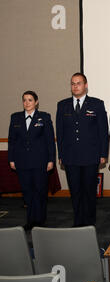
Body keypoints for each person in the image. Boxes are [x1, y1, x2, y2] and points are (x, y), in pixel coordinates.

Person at [56, 73, 109, 227]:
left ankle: (90, 221)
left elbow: (103, 131)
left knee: (89, 191)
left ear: (85, 85)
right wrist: (61, 154)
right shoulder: (62, 105)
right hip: (71, 156)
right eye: (73, 83)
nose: (75, 86)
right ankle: (78, 221)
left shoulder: (97, 104)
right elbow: (60, 132)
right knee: (75, 191)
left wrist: (103, 154)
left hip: (91, 156)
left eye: (79, 83)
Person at [8, 91, 55, 231]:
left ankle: (40, 220)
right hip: (22, 162)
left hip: (40, 161)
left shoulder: (44, 117)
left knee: (40, 191)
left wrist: (51, 159)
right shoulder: (15, 118)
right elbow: (12, 141)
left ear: (36, 102)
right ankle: (30, 220)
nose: (27, 103)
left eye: (30, 100)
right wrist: (11, 159)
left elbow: (49, 141)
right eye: (24, 100)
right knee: (27, 192)